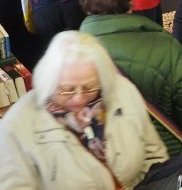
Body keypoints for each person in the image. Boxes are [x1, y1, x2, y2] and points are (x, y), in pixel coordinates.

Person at [0, 31, 166, 189]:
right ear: (48, 82)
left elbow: (155, 158)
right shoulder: (15, 127)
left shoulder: (122, 90)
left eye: (89, 87)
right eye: (67, 89)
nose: (79, 98)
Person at [78, 0, 182, 157]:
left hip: (104, 156)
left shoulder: (71, 52)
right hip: (161, 152)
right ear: (131, 1)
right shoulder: (165, 47)